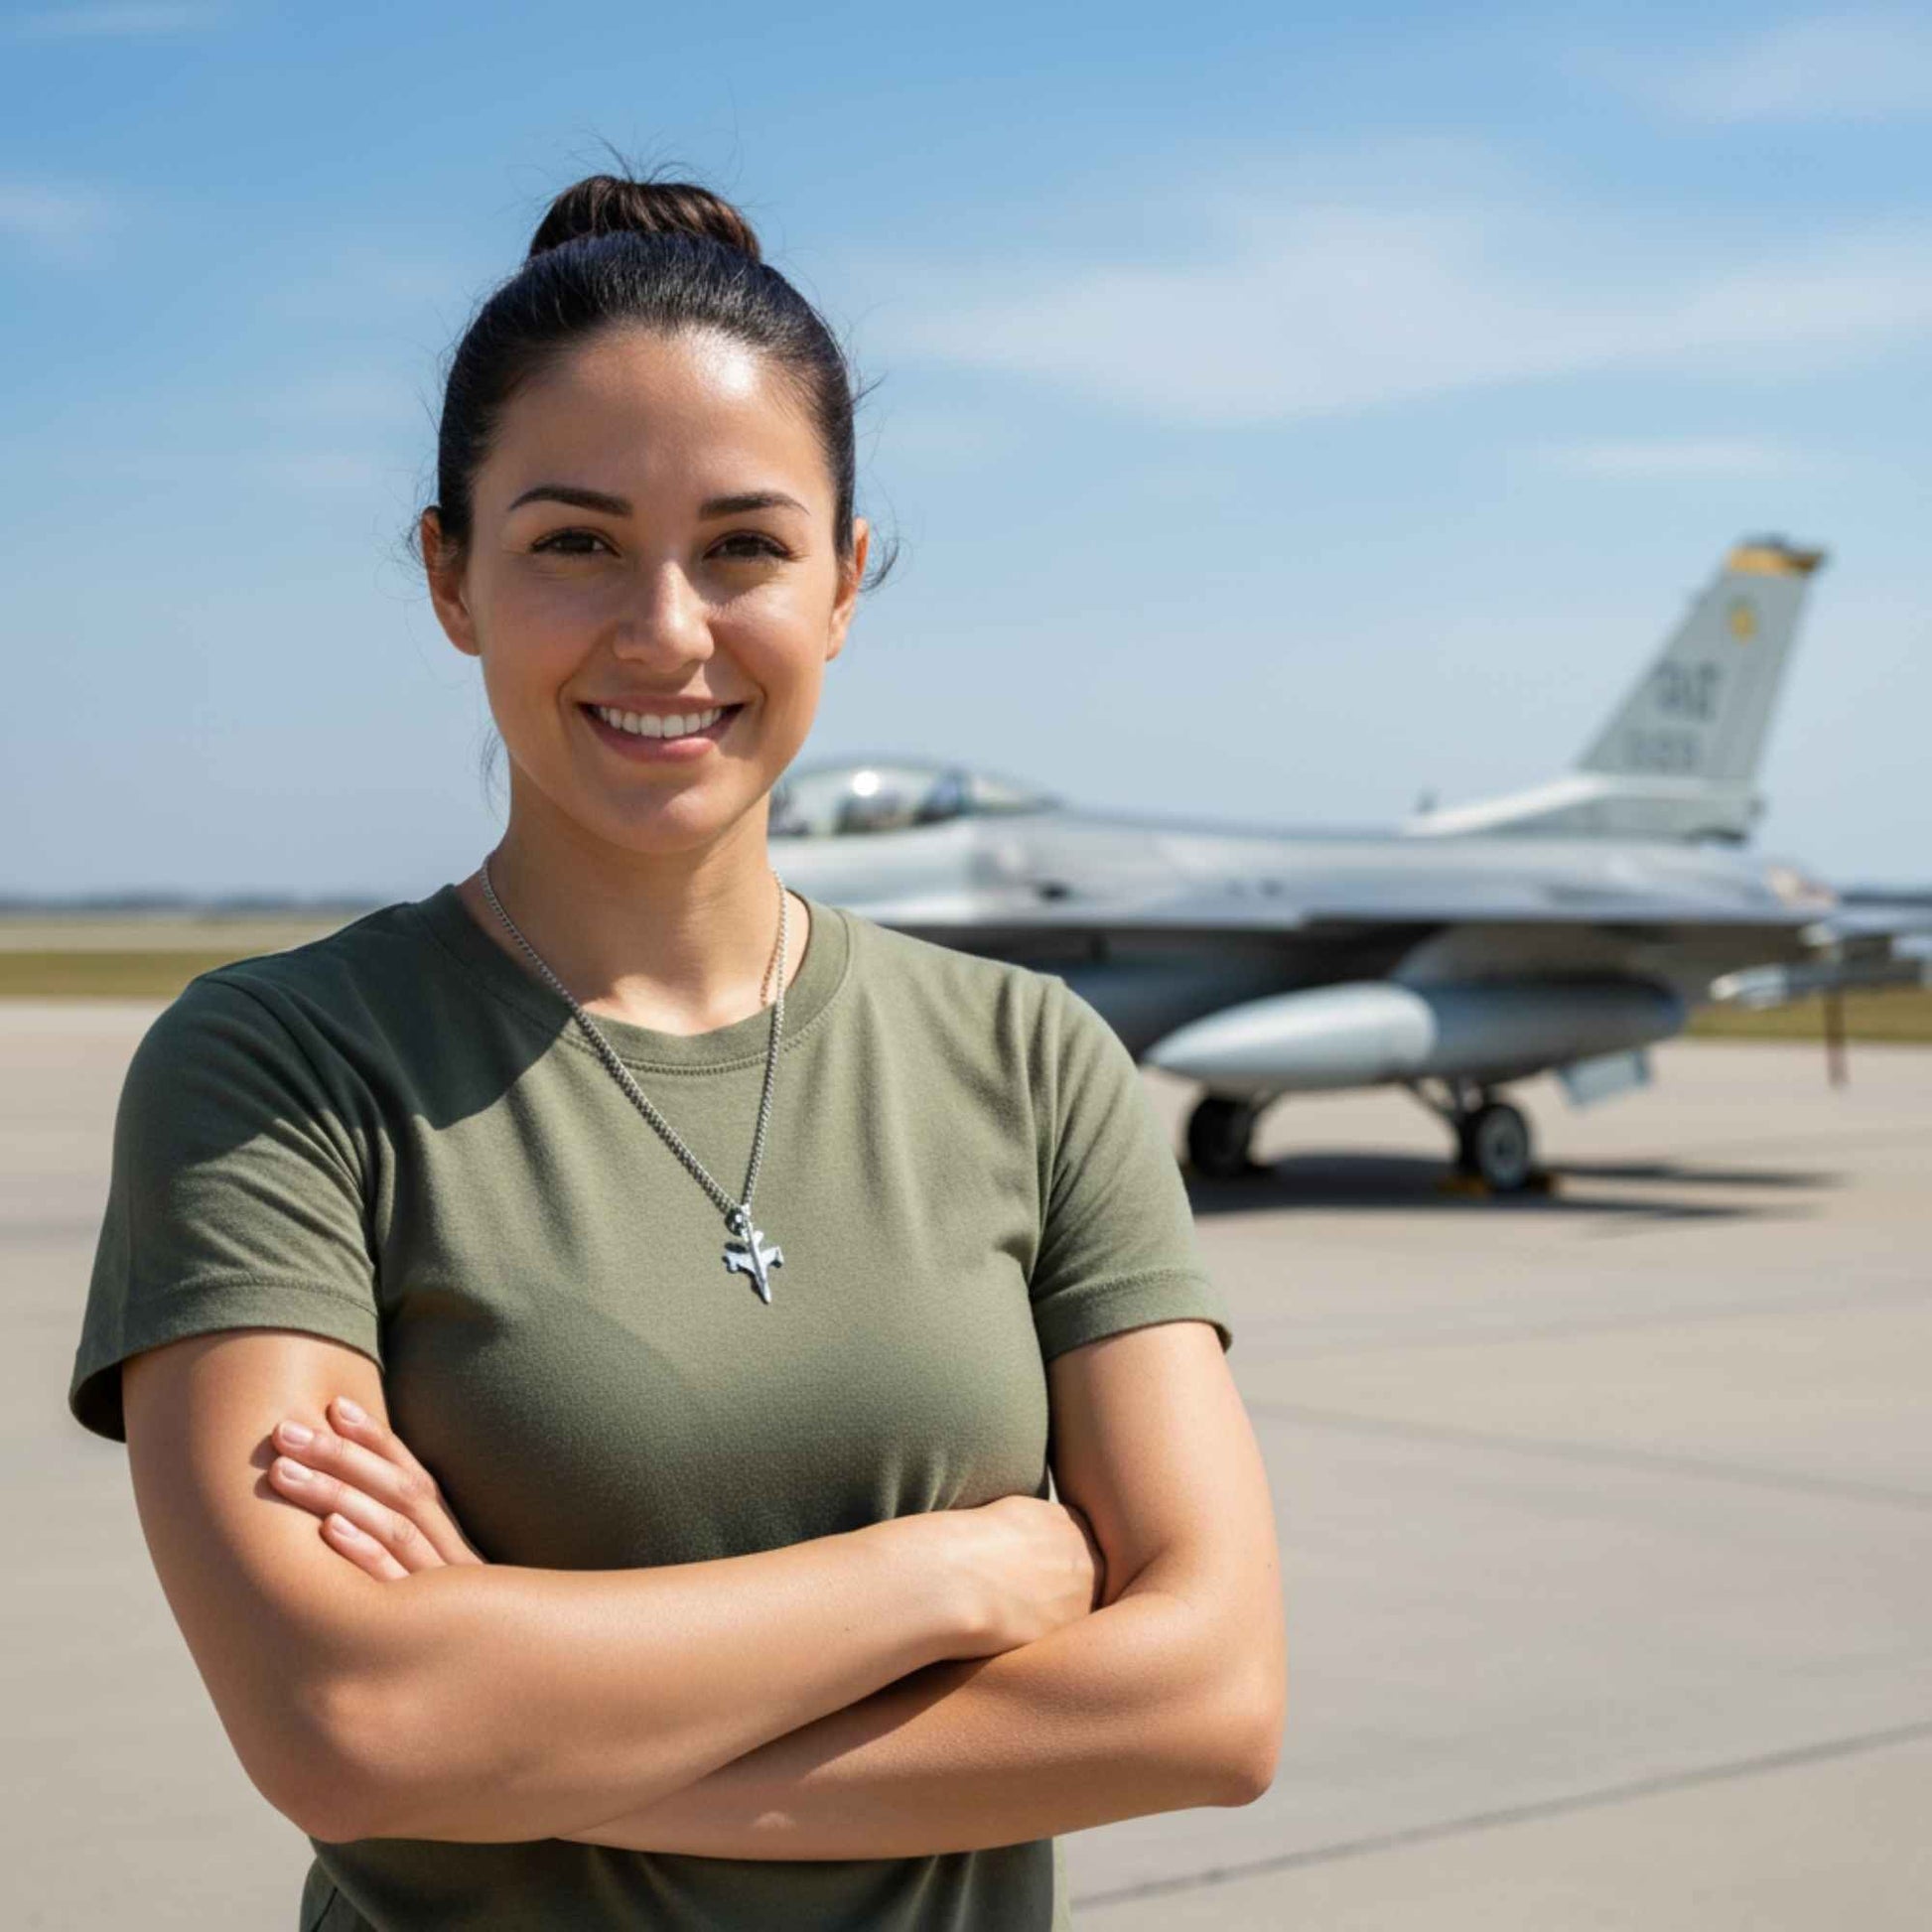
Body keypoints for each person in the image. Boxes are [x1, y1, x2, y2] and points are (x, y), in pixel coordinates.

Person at [68, 173, 1285, 1931]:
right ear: (448, 575)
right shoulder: (284, 1067)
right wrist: (958, 1567)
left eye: (744, 546)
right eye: (572, 541)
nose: (664, 631)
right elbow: (346, 1715)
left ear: (846, 580)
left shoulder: (1029, 1058)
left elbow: (1209, 1699)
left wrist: (517, 1720)